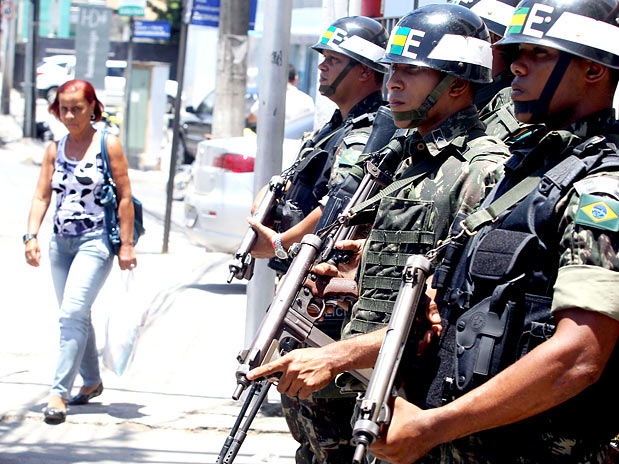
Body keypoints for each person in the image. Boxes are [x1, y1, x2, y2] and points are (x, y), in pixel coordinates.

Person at [256, 0, 619, 462]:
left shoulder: (601, 186)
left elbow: (579, 355)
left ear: (593, 70)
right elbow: (450, 308)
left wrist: (432, 425)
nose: (516, 64)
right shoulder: (526, 170)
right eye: (516, 51)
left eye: (540, 53)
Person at [247, 3, 511, 461]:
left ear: (459, 83)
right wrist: (354, 270)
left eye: (412, 71)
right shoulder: (406, 157)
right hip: (377, 383)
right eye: (392, 69)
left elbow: (456, 311)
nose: (394, 83)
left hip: (428, 402)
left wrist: (338, 357)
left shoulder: (479, 170)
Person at [24, 79, 137, 425]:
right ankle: (90, 381)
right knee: (77, 313)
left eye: (77, 108)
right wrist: (31, 235)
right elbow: (43, 195)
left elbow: (124, 196)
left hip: (96, 241)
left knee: (71, 313)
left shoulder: (107, 143)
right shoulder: (53, 149)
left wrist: (126, 244)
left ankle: (58, 393)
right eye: (63, 108)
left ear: (92, 108)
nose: (70, 115)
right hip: (61, 243)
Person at [247, 16, 389, 267]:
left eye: (334, 60)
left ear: (365, 71)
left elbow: (339, 202)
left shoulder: (365, 133)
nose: (322, 67)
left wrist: (280, 243)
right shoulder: (335, 127)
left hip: (321, 271)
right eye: (324, 59)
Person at [248, 63, 315, 125]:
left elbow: (252, 118)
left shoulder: (269, 97)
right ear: (296, 78)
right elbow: (312, 121)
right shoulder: (307, 100)